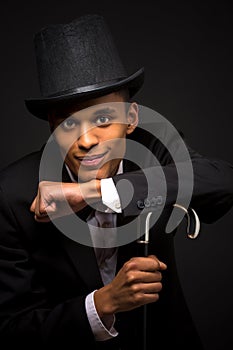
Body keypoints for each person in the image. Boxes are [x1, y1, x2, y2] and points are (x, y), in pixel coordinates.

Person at [0, 14, 232, 350]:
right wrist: (102, 304)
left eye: (103, 118)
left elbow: (222, 181)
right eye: (67, 124)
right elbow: (11, 330)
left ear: (131, 119)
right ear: (51, 126)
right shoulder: (12, 195)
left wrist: (92, 192)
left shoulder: (156, 148)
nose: (85, 140)